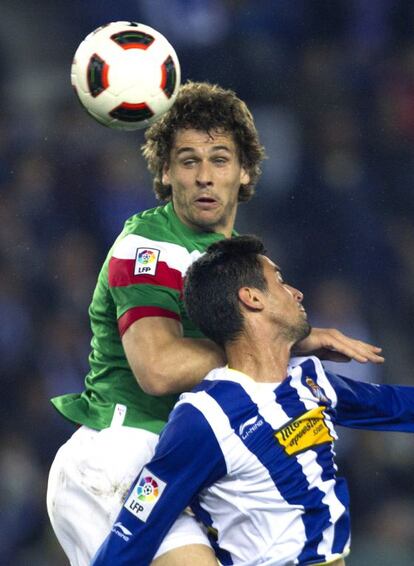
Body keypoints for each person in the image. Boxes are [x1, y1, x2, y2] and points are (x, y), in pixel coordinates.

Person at [46, 81, 384, 566]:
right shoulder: (149, 247)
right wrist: (284, 343)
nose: (205, 176)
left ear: (244, 172)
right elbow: (158, 368)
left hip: (192, 468)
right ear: (166, 171)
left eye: (220, 160)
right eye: (188, 161)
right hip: (121, 457)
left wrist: (289, 346)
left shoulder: (238, 258)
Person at [92, 235, 414, 566]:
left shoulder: (309, 379)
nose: (296, 293)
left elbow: (396, 406)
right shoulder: (204, 417)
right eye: (280, 282)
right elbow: (134, 529)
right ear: (252, 297)